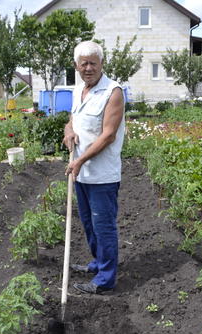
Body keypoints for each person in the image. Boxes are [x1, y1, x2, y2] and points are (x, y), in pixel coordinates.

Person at [63, 40, 125, 294]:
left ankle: (105, 280)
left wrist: (79, 160)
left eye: (93, 63)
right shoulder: (79, 90)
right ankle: (98, 263)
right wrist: (68, 132)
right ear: (76, 66)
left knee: (103, 226)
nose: (88, 68)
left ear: (101, 64)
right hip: (82, 174)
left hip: (102, 175)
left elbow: (108, 135)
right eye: (83, 63)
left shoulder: (113, 92)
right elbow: (72, 121)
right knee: (88, 224)